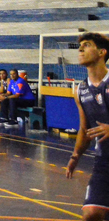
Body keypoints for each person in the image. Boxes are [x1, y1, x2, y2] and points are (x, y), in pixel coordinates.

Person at [66, 32, 109, 220]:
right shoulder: (80, 90)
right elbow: (84, 128)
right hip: (104, 160)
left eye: (87, 44)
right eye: (80, 45)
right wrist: (76, 155)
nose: (81, 48)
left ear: (102, 52)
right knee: (91, 214)